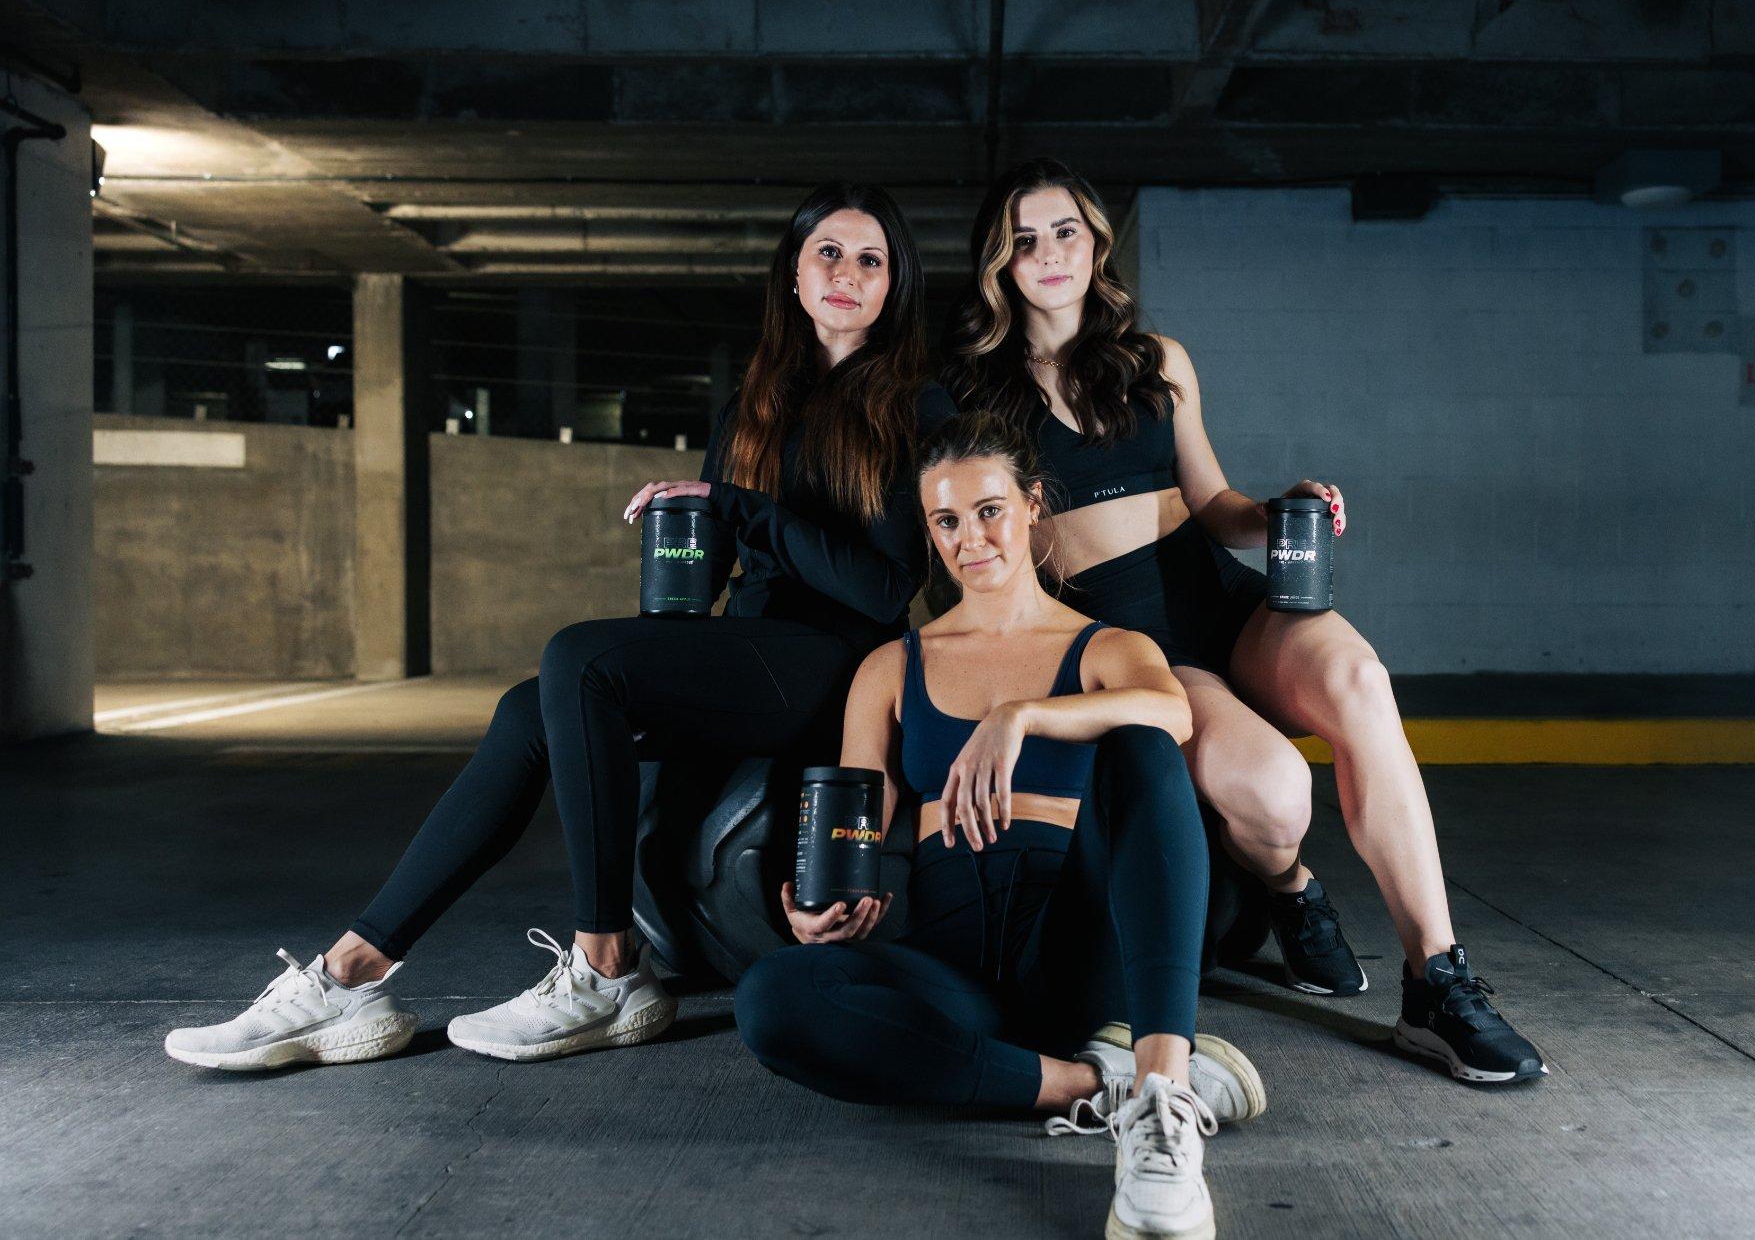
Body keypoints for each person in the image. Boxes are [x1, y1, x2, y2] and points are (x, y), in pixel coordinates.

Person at [164, 181, 955, 1070]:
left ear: (895, 287)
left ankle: (607, 963)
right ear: (796, 276)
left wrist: (743, 509)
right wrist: (682, 545)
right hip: (745, 645)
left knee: (577, 657)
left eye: (871, 259)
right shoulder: (753, 406)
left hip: (832, 664)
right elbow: (727, 560)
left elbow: (884, 587)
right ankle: (348, 975)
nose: (847, 273)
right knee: (527, 707)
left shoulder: (915, 408)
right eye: (829, 254)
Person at [941, 158, 1545, 1085]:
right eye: (1024, 240)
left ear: (1095, 241)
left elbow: (1212, 497)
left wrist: (1274, 511)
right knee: (1273, 796)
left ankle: (1437, 981)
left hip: (1215, 590)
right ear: (1000, 264)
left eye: (1065, 230)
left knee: (1357, 679)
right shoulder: (975, 394)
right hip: (1127, 636)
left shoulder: (1158, 361)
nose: (1049, 253)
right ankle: (1290, 889)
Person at [736, 413, 1266, 1240]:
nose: (969, 536)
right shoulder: (892, 665)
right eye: (946, 520)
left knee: (1141, 740)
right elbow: (855, 822)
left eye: (989, 509)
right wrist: (823, 898)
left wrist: (1026, 715)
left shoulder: (1105, 646)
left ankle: (1162, 1093)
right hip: (958, 963)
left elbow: (1174, 712)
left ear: (1031, 506)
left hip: (1085, 949)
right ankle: (1092, 1085)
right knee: (771, 998)